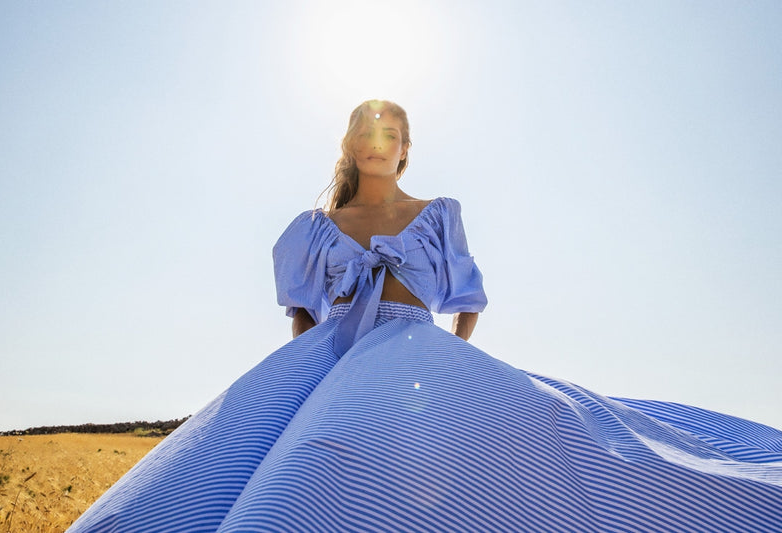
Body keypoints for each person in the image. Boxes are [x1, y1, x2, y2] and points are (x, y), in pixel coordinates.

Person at [69, 100, 782, 532]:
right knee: (260, 477)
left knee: (556, 437)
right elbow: (300, 313)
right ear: (350, 144)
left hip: (419, 354)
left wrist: (449, 359)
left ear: (407, 147)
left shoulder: (437, 215)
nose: (379, 141)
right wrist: (322, 361)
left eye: (394, 132)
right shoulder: (313, 227)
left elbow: (467, 302)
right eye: (365, 129)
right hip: (332, 361)